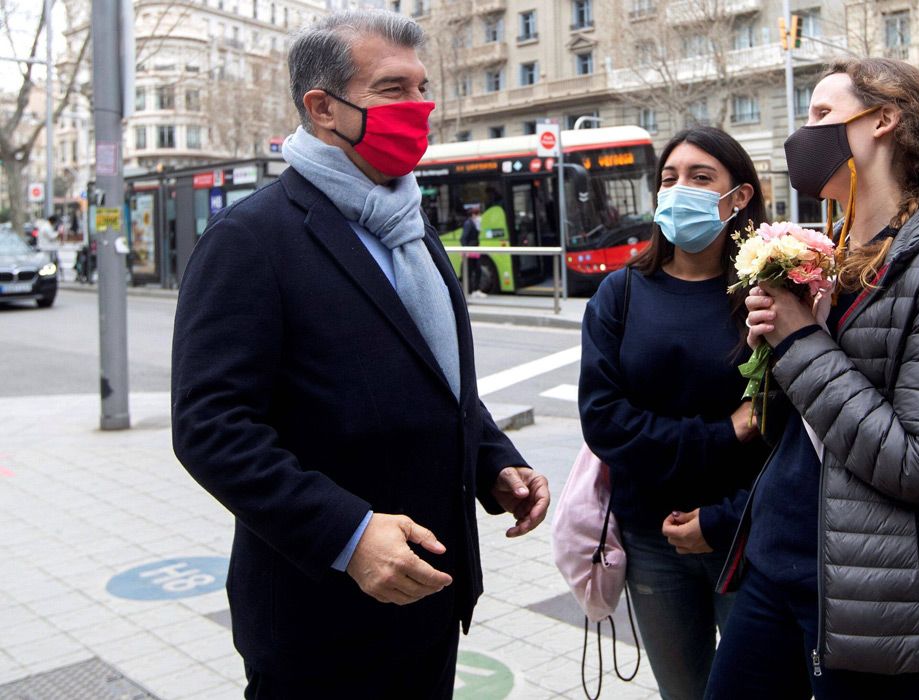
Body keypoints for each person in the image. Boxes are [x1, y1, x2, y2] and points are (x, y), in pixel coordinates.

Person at [170, 11, 550, 698]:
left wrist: (492, 459)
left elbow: (433, 374)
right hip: (321, 618)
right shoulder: (251, 240)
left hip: (428, 597)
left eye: (423, 87)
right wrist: (346, 534)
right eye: (394, 89)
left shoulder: (407, 222)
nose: (421, 108)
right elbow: (211, 428)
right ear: (322, 108)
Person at [706, 57, 919, 698]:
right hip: (778, 566)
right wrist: (776, 339)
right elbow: (811, 425)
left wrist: (799, 339)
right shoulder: (834, 254)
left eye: (821, 114)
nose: (804, 133)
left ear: (883, 120)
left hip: (872, 602)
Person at [579, 126, 789, 700]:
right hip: (653, 541)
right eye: (669, 179)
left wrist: (719, 519)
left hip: (747, 536)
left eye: (701, 178)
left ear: (739, 195)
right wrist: (725, 432)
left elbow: (787, 434)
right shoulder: (618, 295)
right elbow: (604, 423)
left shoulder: (769, 297)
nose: (680, 190)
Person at [460, 205, 484, 295]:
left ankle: (475, 290)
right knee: (470, 270)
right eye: (478, 214)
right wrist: (466, 250)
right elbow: (463, 238)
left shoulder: (475, 224)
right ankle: (470, 290)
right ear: (473, 215)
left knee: (477, 270)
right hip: (470, 251)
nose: (479, 217)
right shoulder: (468, 223)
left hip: (474, 250)